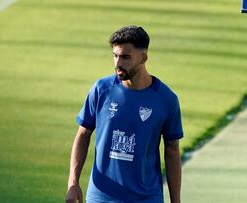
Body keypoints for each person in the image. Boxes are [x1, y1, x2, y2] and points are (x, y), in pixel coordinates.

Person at [65, 25, 183, 203]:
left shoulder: (166, 99)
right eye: (115, 55)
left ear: (143, 57)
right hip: (101, 196)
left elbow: (172, 150)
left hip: (145, 198)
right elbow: (83, 135)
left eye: (125, 57)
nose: (118, 63)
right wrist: (73, 183)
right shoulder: (101, 90)